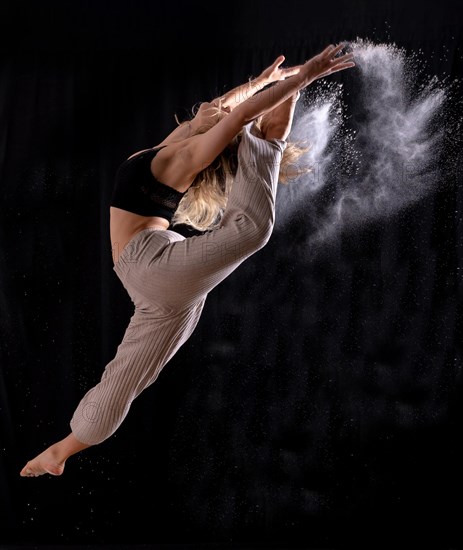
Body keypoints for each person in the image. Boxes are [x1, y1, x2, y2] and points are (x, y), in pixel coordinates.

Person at [20, 43, 355, 477]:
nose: (214, 108)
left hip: (157, 270)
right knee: (252, 228)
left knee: (127, 379)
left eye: (218, 119)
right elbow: (222, 107)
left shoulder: (182, 155)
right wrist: (266, 81)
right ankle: (62, 452)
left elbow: (233, 117)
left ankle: (59, 452)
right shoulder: (175, 140)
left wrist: (302, 80)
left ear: (213, 139)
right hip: (153, 270)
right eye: (212, 110)